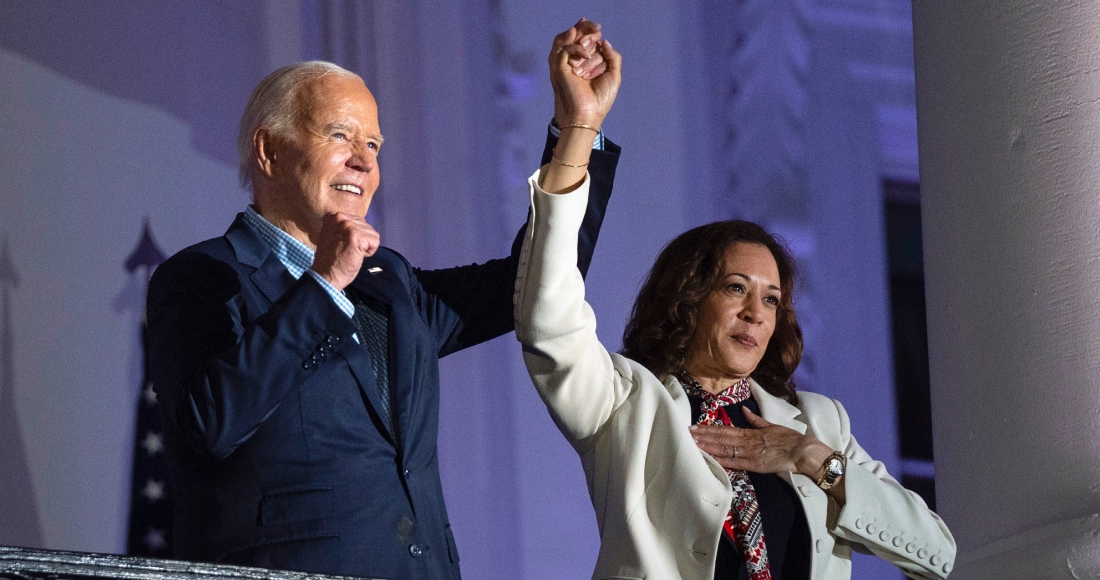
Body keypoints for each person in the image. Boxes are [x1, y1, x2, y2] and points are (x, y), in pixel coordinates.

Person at [146, 20, 619, 580]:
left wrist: (578, 129)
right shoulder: (202, 277)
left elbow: (532, 283)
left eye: (372, 144)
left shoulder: (387, 281)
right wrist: (322, 285)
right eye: (340, 136)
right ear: (270, 152)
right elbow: (211, 422)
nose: (365, 162)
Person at [514, 30, 956, 580]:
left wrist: (812, 460)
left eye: (772, 299)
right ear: (689, 299)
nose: (757, 312)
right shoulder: (627, 404)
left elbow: (939, 556)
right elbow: (547, 318)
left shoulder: (819, 424)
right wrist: (580, 131)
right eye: (735, 288)